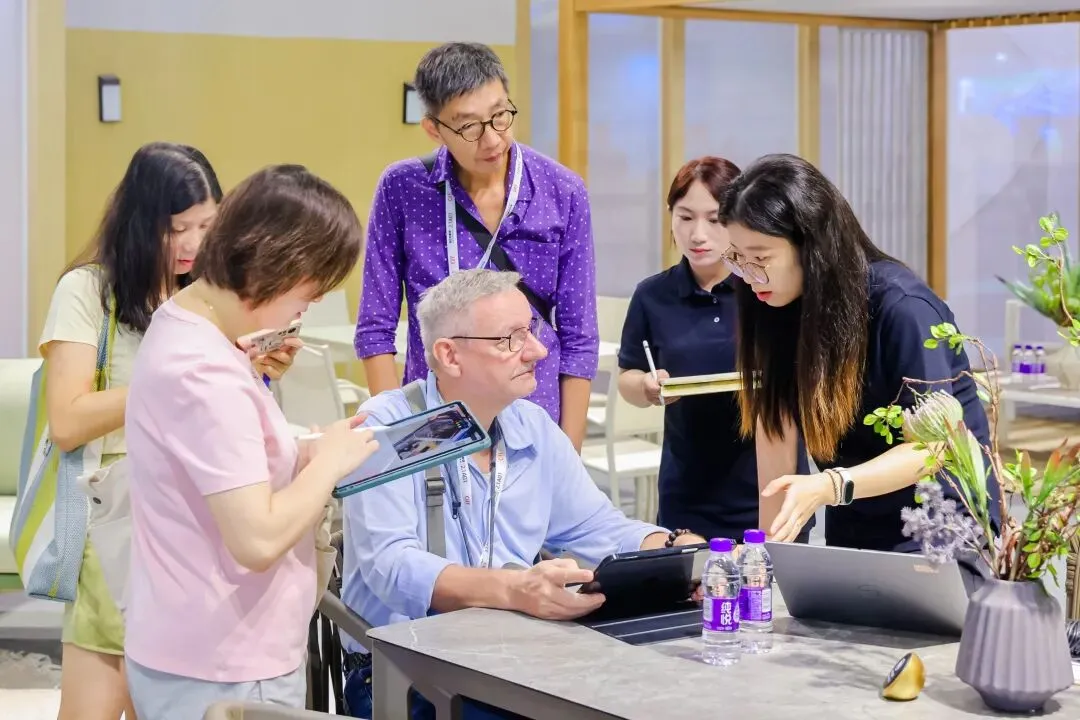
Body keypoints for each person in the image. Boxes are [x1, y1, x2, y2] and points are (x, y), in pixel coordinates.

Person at [342, 269, 705, 720]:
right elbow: (391, 566)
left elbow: (596, 526)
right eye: (510, 339)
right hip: (404, 671)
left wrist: (677, 550)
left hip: (507, 660)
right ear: (450, 355)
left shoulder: (529, 425)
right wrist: (517, 590)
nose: (537, 350)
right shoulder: (396, 427)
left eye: (531, 330)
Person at [39, 142, 288, 720]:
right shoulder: (89, 291)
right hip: (119, 518)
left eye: (208, 225)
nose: (194, 244)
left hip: (202, 519)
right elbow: (68, 421)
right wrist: (173, 378)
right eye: (177, 229)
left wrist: (255, 369)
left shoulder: (211, 294)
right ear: (140, 223)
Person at [122, 165, 379, 720]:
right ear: (275, 265)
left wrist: (303, 450)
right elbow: (257, 539)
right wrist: (328, 464)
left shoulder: (188, 323)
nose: (309, 307)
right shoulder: (205, 371)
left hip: (198, 644)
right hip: (225, 661)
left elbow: (219, 468)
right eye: (309, 291)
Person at [719, 153, 1001, 549]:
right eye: (738, 257)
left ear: (811, 245)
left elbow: (932, 448)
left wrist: (832, 485)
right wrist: (766, 555)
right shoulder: (771, 302)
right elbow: (776, 442)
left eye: (761, 258)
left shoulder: (902, 308)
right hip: (854, 521)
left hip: (943, 526)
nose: (749, 275)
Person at [356, 41, 599, 451]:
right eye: (469, 127)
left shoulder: (562, 191)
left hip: (533, 410)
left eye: (500, 116)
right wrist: (400, 444)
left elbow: (580, 338)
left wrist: (568, 451)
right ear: (434, 129)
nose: (491, 140)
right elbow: (375, 328)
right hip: (434, 420)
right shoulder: (402, 189)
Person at [617, 156, 812, 541]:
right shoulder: (652, 295)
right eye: (685, 217)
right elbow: (628, 375)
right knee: (691, 576)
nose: (698, 234)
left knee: (774, 577)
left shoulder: (766, 288)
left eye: (715, 219)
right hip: (688, 486)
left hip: (770, 481)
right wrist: (646, 387)